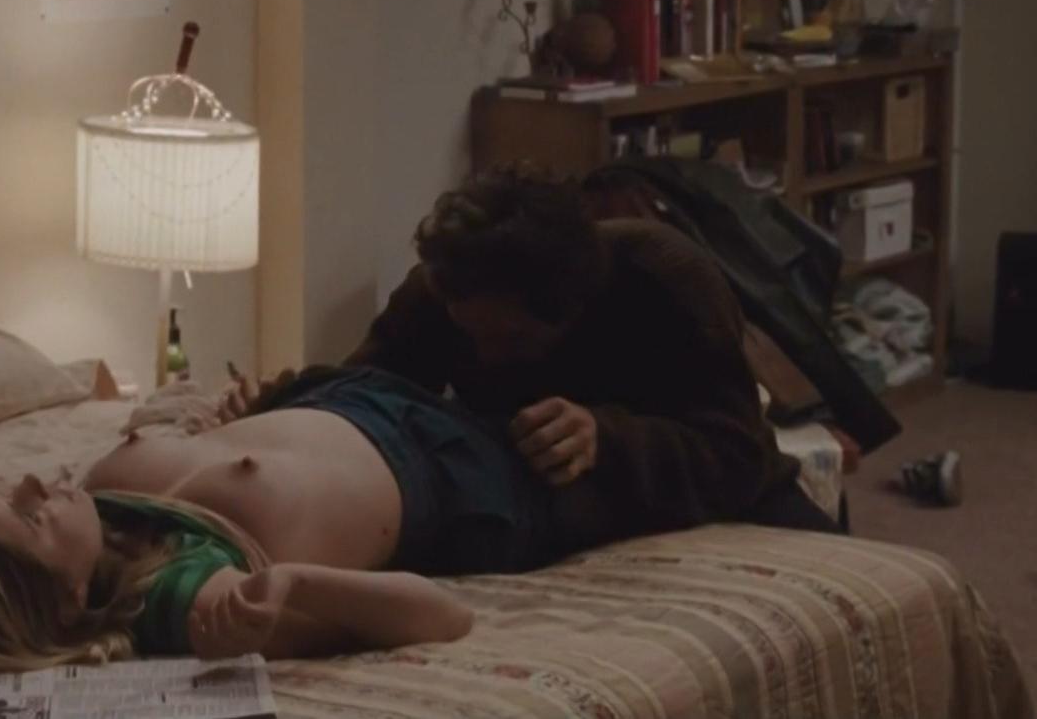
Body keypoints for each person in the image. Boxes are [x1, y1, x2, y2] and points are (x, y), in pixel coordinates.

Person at [0, 366, 592, 677]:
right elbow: (446, 617)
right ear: (67, 600)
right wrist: (298, 584)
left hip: (341, 391)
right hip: (459, 471)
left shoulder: (85, 527)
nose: (34, 483)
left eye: (18, 495)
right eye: (32, 515)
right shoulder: (180, 598)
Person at [344, 172, 839, 552]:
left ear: (571, 309)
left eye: (511, 339)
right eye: (469, 335)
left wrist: (606, 438)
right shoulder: (443, 291)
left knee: (850, 583)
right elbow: (363, 389)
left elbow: (738, 458)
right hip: (536, 501)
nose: (484, 356)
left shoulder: (665, 278)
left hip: (710, 493)